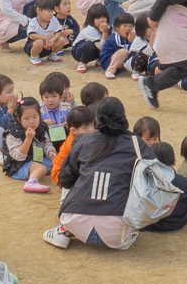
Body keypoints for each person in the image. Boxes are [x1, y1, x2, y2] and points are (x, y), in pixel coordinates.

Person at [43, 97, 141, 250]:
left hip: (75, 221)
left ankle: (63, 229)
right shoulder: (136, 143)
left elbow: (65, 179)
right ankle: (121, 235)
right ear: (125, 117)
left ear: (96, 120)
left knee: (74, 177)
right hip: (118, 232)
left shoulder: (84, 140)